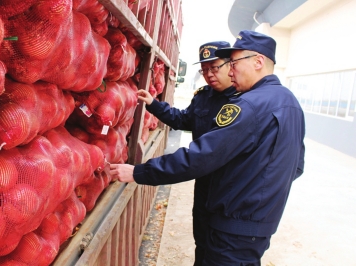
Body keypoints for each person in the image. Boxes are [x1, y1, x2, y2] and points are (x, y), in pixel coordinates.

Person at [110, 30, 305, 265]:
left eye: (233, 63)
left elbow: (202, 156)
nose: (230, 70)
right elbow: (296, 166)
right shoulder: (289, 102)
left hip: (233, 219)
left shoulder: (249, 105)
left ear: (258, 62)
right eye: (205, 70)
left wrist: (138, 172)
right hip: (254, 222)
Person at [136, 41, 236, 265]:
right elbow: (183, 119)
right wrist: (153, 104)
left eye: (215, 67)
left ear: (231, 65)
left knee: (224, 250)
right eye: (204, 69)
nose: (209, 74)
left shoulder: (244, 100)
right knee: (201, 238)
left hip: (230, 188)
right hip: (204, 182)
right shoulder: (203, 96)